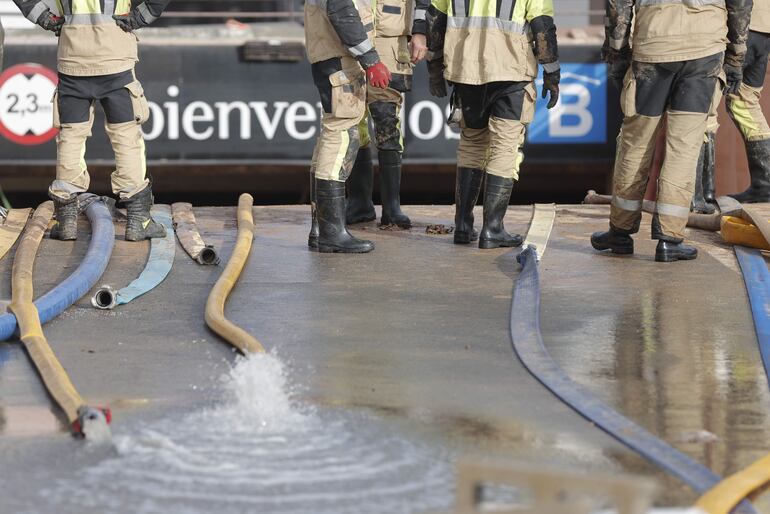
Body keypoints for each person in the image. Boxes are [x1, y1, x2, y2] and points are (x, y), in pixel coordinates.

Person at [592, 0, 751, 262]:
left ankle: (619, 232)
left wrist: (617, 53)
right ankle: (669, 239)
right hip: (704, 50)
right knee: (684, 147)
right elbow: (741, 4)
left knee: (636, 142)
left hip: (653, 47)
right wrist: (736, 55)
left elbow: (617, 5)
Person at [14, 0, 170, 241]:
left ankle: (66, 221)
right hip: (115, 57)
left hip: (72, 57)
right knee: (126, 136)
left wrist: (44, 17)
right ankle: (139, 220)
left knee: (71, 136)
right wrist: (141, 16)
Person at [426, 0, 560, 249]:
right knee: (504, 146)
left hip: (466, 69)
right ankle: (493, 229)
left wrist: (434, 67)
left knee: (472, 143)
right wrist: (552, 73)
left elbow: (435, 19)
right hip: (510, 71)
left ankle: (463, 226)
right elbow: (542, 26)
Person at [305, 0, 391, 253]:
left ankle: (321, 228)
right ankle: (332, 233)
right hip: (341, 60)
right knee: (341, 134)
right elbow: (342, 10)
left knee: (330, 133)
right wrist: (371, 59)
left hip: (331, 56)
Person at [345, 0, 431, 229]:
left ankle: (392, 207)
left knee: (387, 124)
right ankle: (359, 204)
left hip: (390, 44)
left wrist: (420, 33)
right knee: (355, 124)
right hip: (352, 40)